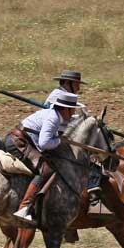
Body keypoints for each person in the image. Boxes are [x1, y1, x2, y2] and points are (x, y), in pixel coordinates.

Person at [6, 89, 85, 226]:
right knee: (46, 168)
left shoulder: (56, 115)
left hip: (24, 141)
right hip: (18, 143)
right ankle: (24, 208)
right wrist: (60, 141)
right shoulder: (53, 118)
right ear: (65, 109)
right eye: (72, 109)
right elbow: (44, 143)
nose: (73, 113)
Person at [46, 69, 104, 209]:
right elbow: (58, 116)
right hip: (57, 134)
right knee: (88, 158)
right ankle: (91, 190)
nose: (79, 87)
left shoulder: (65, 94)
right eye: (77, 84)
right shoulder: (59, 95)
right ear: (68, 83)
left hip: (65, 131)